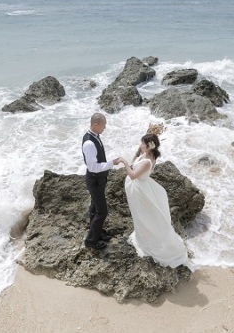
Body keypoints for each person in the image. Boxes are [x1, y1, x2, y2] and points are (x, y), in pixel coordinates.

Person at [117, 133, 192, 269]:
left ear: (149, 146)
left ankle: (150, 242)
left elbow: (133, 175)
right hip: (142, 187)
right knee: (142, 216)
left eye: (142, 143)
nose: (140, 145)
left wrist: (124, 162)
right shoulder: (148, 155)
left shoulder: (147, 161)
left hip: (140, 190)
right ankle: (143, 236)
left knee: (143, 216)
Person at [82, 112, 120, 250]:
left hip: (98, 179)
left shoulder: (95, 136)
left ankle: (97, 233)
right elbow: (93, 167)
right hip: (95, 180)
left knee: (94, 208)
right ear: (96, 124)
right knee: (102, 211)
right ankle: (91, 241)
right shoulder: (89, 143)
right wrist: (111, 163)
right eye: (104, 125)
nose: (105, 127)